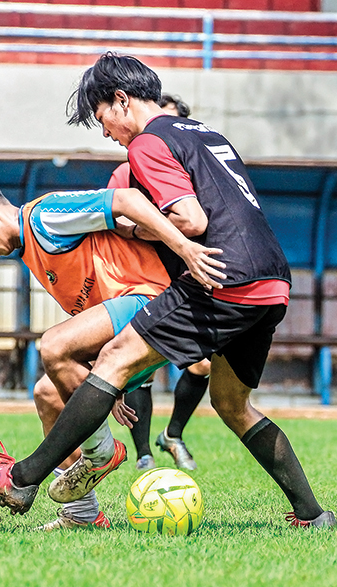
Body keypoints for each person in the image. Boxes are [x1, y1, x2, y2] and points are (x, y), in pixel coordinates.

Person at [0, 52, 336, 529]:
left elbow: (192, 220)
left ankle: (21, 476)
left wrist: (135, 232)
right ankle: (312, 513)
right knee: (232, 404)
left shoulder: (148, 142)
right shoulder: (206, 132)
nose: (106, 133)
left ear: (121, 100)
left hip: (219, 273)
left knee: (114, 358)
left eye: (102, 120)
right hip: (272, 281)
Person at [0, 168, 221, 529]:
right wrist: (99, 386)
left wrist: (186, 248)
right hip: (129, 327)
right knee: (48, 394)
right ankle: (81, 514)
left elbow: (126, 200)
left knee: (53, 345)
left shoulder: (45, 216)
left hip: (152, 303)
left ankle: (101, 454)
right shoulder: (32, 249)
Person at [110, 92, 210, 472]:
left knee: (201, 366)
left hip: (187, 280)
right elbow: (115, 224)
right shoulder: (128, 171)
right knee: (141, 370)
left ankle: (173, 434)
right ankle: (143, 456)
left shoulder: (190, 171)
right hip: (144, 281)